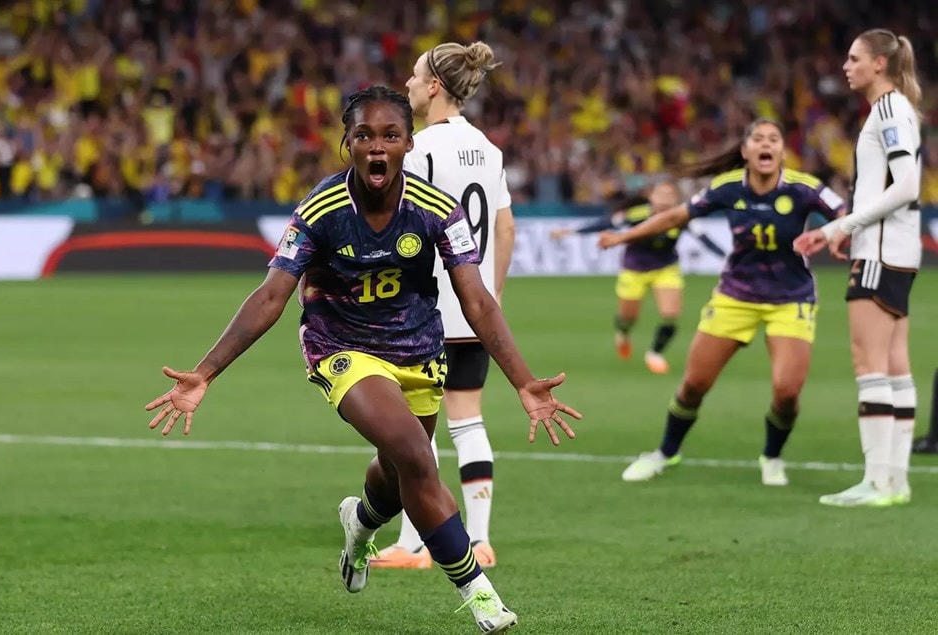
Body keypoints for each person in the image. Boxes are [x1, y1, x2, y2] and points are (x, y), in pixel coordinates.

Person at [144, 85, 581, 633]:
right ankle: (479, 593)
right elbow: (270, 297)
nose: (377, 147)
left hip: (420, 348)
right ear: (347, 144)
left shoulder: (436, 209)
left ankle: (360, 522)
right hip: (341, 347)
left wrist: (522, 381)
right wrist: (204, 372)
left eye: (390, 136)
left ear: (408, 144)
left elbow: (476, 301)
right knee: (418, 456)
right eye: (365, 136)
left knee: (399, 475)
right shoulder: (322, 209)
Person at [598, 119, 845, 486]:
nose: (766, 144)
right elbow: (675, 216)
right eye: (758, 139)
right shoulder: (726, 188)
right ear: (745, 151)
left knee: (787, 391)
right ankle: (665, 452)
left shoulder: (804, 188)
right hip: (735, 296)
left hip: (790, 298)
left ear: (781, 151)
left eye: (774, 139)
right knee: (694, 384)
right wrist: (623, 237)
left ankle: (772, 457)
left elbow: (845, 212)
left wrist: (833, 231)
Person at [368, 41, 513, 571]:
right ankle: (479, 540)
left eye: (413, 76)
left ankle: (413, 545)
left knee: (414, 428)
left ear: (434, 86)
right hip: (474, 306)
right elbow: (505, 225)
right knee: (468, 421)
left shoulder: (422, 148)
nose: (407, 84)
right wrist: (491, 297)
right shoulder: (489, 150)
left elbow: (408, 222)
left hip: (425, 306)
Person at [794, 29, 923, 506]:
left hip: (882, 251)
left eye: (854, 59)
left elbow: (907, 184)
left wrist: (838, 227)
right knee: (894, 364)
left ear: (879, 65)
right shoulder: (894, 110)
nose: (845, 67)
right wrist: (849, 228)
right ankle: (896, 481)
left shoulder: (889, 109)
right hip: (898, 249)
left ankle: (876, 480)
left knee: (867, 362)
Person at [551, 183, 726, 374]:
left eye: (669, 195)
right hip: (634, 270)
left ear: (675, 199)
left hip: (665, 269)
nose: (665, 199)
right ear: (652, 197)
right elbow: (606, 223)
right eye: (661, 194)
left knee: (671, 315)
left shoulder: (682, 216)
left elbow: (706, 239)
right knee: (628, 317)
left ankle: (654, 354)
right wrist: (570, 232)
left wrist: (727, 258)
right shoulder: (636, 214)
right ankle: (623, 334)